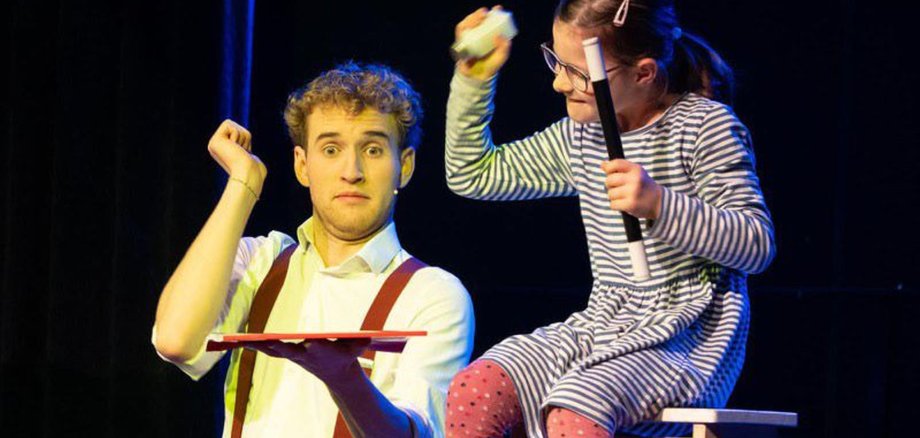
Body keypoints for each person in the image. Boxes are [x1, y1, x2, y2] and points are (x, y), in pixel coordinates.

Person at [443, 1, 775, 437]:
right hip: (605, 325)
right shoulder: (583, 135)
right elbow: (473, 174)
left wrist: (659, 204)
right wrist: (474, 79)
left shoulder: (704, 127)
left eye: (578, 73)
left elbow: (757, 244)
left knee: (576, 407)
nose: (560, 83)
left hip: (688, 339)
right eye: (556, 62)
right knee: (478, 385)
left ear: (644, 73)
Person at [152, 62, 474, 438]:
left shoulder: (434, 294)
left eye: (372, 149)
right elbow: (175, 341)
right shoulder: (262, 261)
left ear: (404, 166)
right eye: (331, 149)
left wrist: (343, 377)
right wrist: (244, 183)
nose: (351, 170)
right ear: (303, 166)